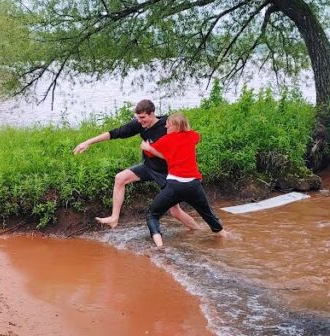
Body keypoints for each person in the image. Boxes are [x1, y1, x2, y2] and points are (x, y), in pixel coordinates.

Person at [74, 99, 200, 230]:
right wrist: (88, 142)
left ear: (152, 114)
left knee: (175, 212)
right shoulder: (140, 124)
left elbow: (183, 143)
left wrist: (152, 149)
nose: (140, 121)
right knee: (120, 178)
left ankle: (199, 231)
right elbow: (115, 133)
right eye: (138, 118)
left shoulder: (167, 125)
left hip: (167, 172)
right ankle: (114, 218)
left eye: (142, 118)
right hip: (148, 167)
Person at [140, 113, 225, 247]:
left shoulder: (166, 140)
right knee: (208, 215)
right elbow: (196, 136)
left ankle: (160, 247)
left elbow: (150, 153)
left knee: (152, 215)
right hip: (194, 185)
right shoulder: (192, 136)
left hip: (175, 186)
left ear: (175, 125)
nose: (166, 125)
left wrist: (146, 147)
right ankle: (225, 236)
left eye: (168, 123)